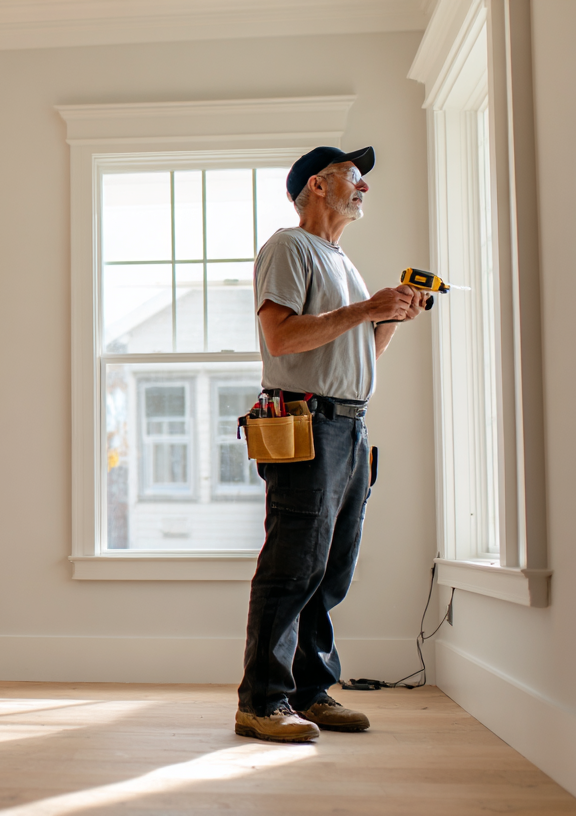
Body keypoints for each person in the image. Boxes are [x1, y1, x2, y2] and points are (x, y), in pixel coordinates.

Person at [234, 146, 425, 743]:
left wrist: (387, 317)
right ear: (316, 184)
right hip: (305, 423)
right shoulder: (289, 248)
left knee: (331, 570)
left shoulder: (342, 261)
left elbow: (361, 355)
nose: (363, 187)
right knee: (293, 567)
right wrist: (367, 307)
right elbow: (282, 338)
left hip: (348, 425)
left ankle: (311, 693)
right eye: (352, 176)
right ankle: (262, 703)